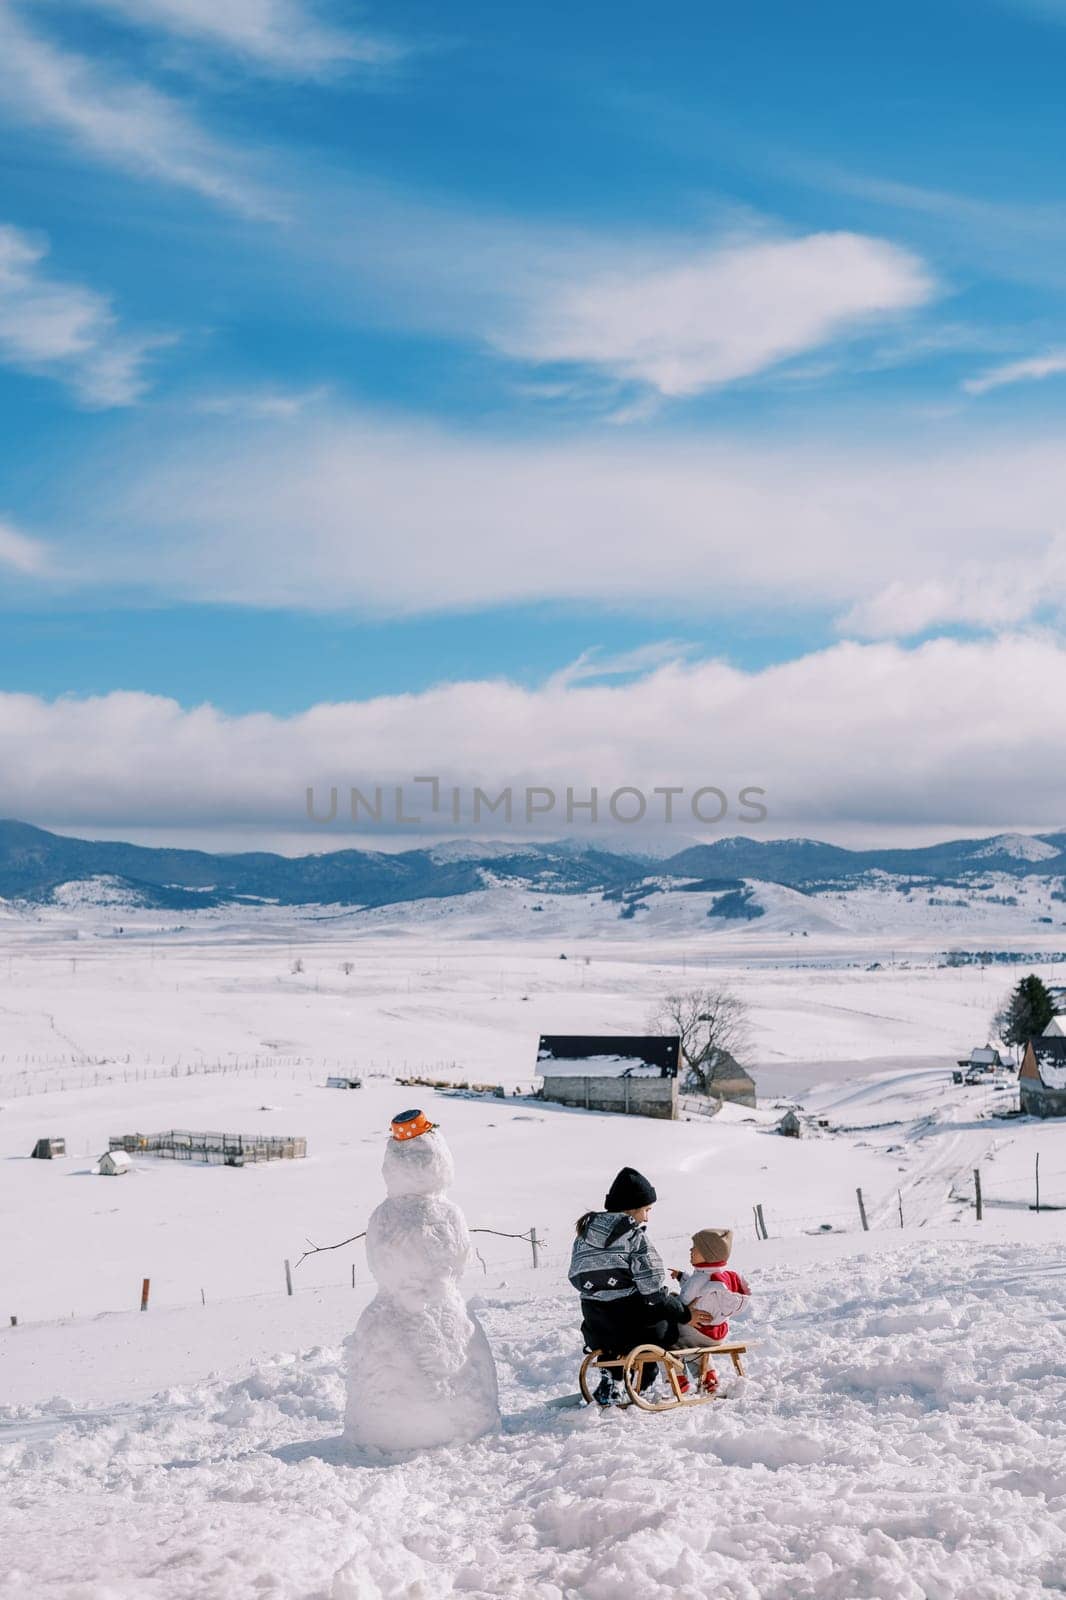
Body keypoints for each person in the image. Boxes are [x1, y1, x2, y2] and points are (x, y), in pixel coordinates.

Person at [569, 1166, 691, 1405]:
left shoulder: (583, 1235)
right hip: (633, 1328)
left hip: (597, 1328)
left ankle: (611, 1376)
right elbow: (653, 1289)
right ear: (631, 1208)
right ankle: (645, 1374)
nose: (647, 1217)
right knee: (667, 1326)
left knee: (611, 1321)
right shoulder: (634, 1236)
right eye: (646, 1210)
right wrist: (682, 1312)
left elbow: (576, 1277)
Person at [670, 1227, 751, 1395]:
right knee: (693, 1347)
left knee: (668, 1340)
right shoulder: (725, 1275)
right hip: (717, 1333)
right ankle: (709, 1376)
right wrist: (681, 1277)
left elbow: (683, 1304)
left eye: (695, 1248)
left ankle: (677, 1377)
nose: (690, 1250)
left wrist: (670, 1301)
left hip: (697, 1330)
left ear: (708, 1253)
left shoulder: (699, 1279)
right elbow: (701, 1291)